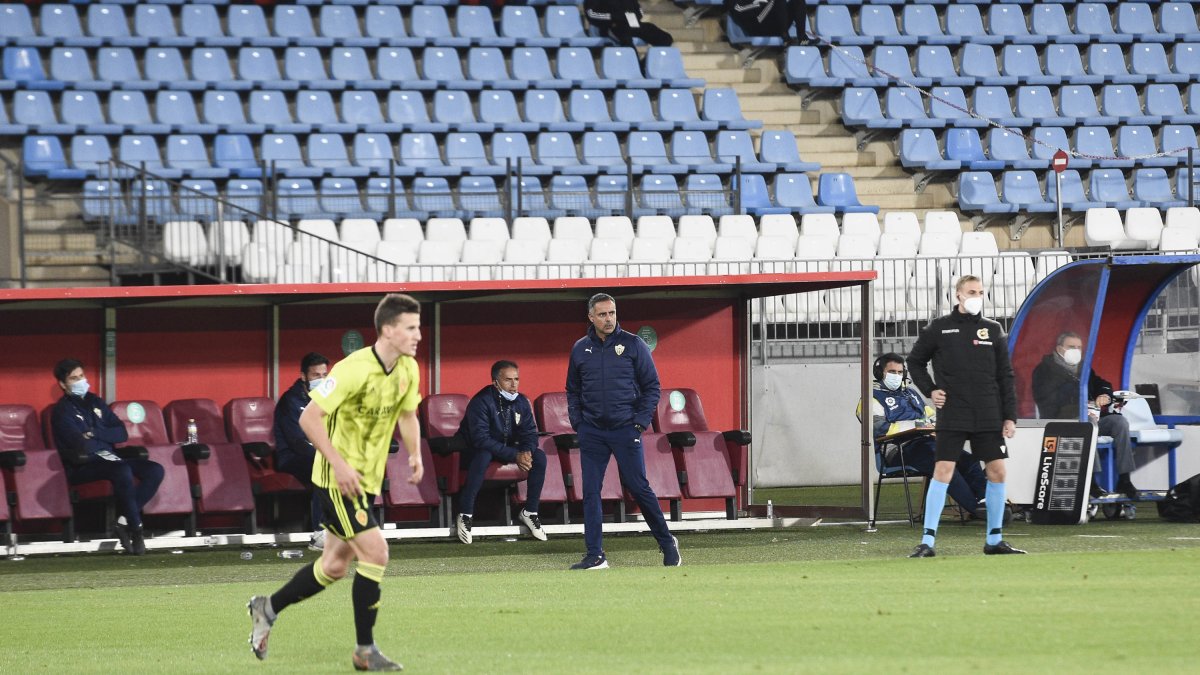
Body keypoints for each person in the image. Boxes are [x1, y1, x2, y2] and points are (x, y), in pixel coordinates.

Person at [248, 293, 424, 672]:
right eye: (411, 328)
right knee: (376, 553)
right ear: (389, 330)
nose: (418, 335)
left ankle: (268, 608)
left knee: (333, 566)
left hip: (367, 480)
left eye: (419, 327)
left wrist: (415, 453)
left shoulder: (408, 369)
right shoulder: (350, 369)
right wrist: (340, 465)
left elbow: (408, 414)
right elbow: (309, 419)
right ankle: (365, 650)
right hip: (336, 481)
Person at [905, 275, 1025, 557]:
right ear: (957, 295)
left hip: (988, 413)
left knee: (997, 471)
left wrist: (1010, 416)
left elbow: (1005, 375)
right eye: (971, 291)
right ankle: (928, 542)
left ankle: (994, 540)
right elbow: (915, 361)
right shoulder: (939, 328)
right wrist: (931, 390)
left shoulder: (993, 330)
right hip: (953, 412)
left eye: (981, 292)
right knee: (943, 471)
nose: (976, 296)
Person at [565, 292, 680, 570]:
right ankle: (595, 555)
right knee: (591, 492)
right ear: (591, 317)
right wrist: (578, 423)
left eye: (612, 313)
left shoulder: (633, 344)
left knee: (639, 488)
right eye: (602, 314)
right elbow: (573, 390)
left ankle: (667, 543)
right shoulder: (580, 348)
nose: (608, 319)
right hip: (592, 432)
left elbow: (653, 387)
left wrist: (639, 423)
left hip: (625, 429)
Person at [50, 359, 164, 556]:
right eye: (73, 378)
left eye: (81, 376)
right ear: (62, 383)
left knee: (155, 469)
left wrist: (93, 432)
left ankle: (122, 521)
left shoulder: (96, 401)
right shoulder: (62, 411)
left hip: (110, 457)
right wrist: (100, 434)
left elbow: (121, 434)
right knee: (122, 469)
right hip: (82, 465)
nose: (80, 381)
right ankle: (136, 529)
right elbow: (80, 444)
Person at [858, 353, 990, 518]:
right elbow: (880, 429)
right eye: (892, 372)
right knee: (942, 463)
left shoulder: (911, 394)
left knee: (968, 459)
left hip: (926, 444)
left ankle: (986, 501)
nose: (897, 376)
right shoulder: (870, 399)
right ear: (879, 374)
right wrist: (916, 425)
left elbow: (933, 417)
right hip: (896, 450)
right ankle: (977, 510)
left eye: (900, 372)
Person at [1031, 331, 1138, 499]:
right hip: (1061, 420)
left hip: (1088, 417)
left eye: (1079, 347)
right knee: (1089, 425)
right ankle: (1092, 482)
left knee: (1119, 422)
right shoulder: (1044, 369)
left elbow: (1102, 384)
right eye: (1071, 347)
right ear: (1059, 348)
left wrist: (1104, 395)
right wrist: (1077, 399)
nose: (1076, 351)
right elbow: (1046, 399)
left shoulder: (1084, 367)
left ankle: (1124, 479)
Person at [454, 360, 548, 544]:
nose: (513, 385)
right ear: (495, 382)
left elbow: (530, 433)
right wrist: (515, 455)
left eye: (516, 379)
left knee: (540, 456)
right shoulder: (481, 401)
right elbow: (480, 439)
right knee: (484, 454)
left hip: (505, 449)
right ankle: (465, 514)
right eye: (508, 380)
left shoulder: (521, 401)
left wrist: (527, 451)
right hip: (472, 451)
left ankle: (530, 511)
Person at [274, 351, 332, 550]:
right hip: (291, 457)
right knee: (324, 468)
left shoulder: (329, 400)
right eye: (316, 376)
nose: (321, 380)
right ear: (304, 376)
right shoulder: (290, 401)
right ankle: (320, 534)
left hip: (319, 454)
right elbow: (297, 441)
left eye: (324, 375)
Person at [584, 0, 674, 47]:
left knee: (665, 38)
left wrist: (635, 16)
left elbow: (639, 11)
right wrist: (615, 17)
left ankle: (645, 66)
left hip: (632, 24)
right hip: (610, 26)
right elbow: (591, 13)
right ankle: (634, 70)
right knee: (626, 40)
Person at [724, 0, 809, 44]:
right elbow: (739, 9)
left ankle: (802, 38)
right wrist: (760, 3)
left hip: (773, 21)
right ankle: (785, 37)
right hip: (757, 25)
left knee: (798, 1)